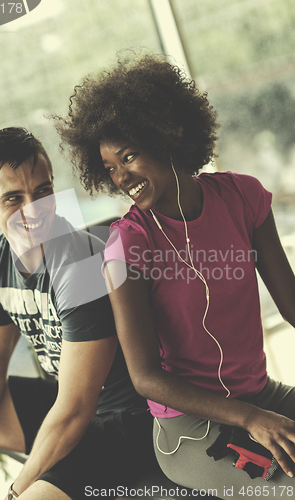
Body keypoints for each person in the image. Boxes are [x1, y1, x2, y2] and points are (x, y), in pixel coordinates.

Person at [55, 53, 295, 499]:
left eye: (129, 156)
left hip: (261, 395)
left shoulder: (243, 197)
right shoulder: (128, 246)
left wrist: (255, 410)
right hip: (191, 430)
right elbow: (145, 376)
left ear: (167, 134)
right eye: (110, 168)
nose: (122, 176)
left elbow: (292, 304)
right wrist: (247, 419)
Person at [0, 127, 162, 500]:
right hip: (65, 404)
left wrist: (15, 491)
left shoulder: (84, 265)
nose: (32, 211)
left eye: (42, 192)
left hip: (125, 421)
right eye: (12, 198)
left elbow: (74, 409)